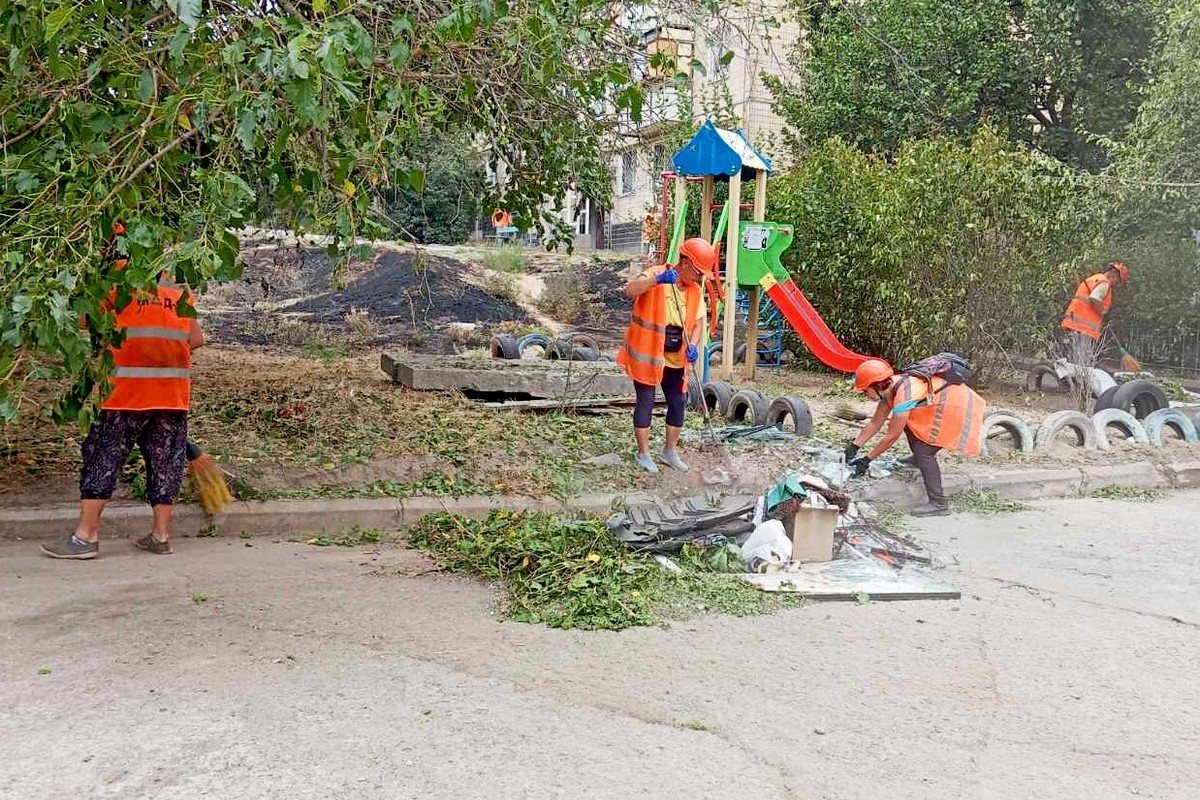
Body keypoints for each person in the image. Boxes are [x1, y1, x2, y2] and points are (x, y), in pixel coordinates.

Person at [41, 226, 205, 559]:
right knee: (165, 463)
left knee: (103, 458)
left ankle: (85, 537)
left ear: (111, 249)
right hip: (172, 396)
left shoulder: (113, 285)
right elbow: (196, 339)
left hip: (124, 394)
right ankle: (160, 537)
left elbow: (84, 320)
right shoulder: (177, 289)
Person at [616, 237, 717, 474]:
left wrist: (693, 344)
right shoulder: (656, 274)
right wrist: (657, 280)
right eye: (698, 272)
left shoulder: (694, 291)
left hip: (676, 357)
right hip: (648, 354)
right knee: (646, 402)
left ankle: (669, 450)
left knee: (678, 403)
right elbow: (630, 290)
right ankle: (643, 453)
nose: (700, 277)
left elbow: (699, 323)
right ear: (686, 262)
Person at [843, 359, 985, 517]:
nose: (865, 395)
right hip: (943, 407)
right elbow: (875, 423)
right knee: (909, 427)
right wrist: (854, 447)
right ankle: (917, 459)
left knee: (924, 452)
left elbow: (892, 435)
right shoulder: (890, 389)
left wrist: (867, 460)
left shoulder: (905, 395)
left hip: (957, 408)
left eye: (865, 391)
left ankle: (938, 504)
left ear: (877, 385)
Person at [1061, 262, 1130, 367]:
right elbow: (1094, 298)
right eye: (1118, 281)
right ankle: (1079, 381)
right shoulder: (1104, 282)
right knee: (1082, 361)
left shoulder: (1095, 279)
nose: (1116, 285)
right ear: (1114, 275)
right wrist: (1102, 311)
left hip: (1074, 322)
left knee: (1073, 357)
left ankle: (1069, 380)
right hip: (1083, 327)